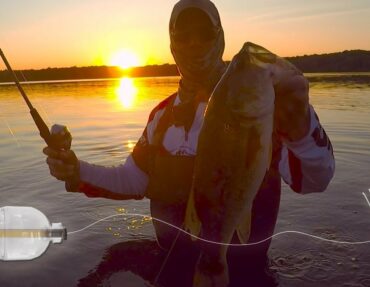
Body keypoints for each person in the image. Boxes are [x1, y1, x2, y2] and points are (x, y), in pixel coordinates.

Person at [44, 0, 334, 266]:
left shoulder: (260, 108)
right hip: (171, 269)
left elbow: (314, 180)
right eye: (183, 35)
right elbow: (133, 180)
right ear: (172, 45)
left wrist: (301, 124)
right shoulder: (162, 116)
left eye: (205, 32)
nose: (194, 43)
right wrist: (76, 170)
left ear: (220, 39)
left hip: (246, 276)